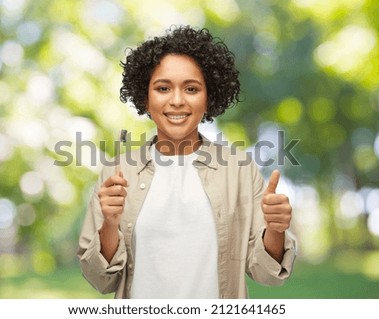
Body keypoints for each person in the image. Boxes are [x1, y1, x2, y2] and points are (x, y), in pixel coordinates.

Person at [77, 25, 296, 299]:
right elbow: (100, 280)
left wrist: (275, 230)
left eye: (191, 88)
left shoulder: (240, 170)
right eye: (163, 88)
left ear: (209, 97)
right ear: (145, 98)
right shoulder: (117, 172)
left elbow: (267, 274)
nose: (177, 100)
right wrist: (109, 224)